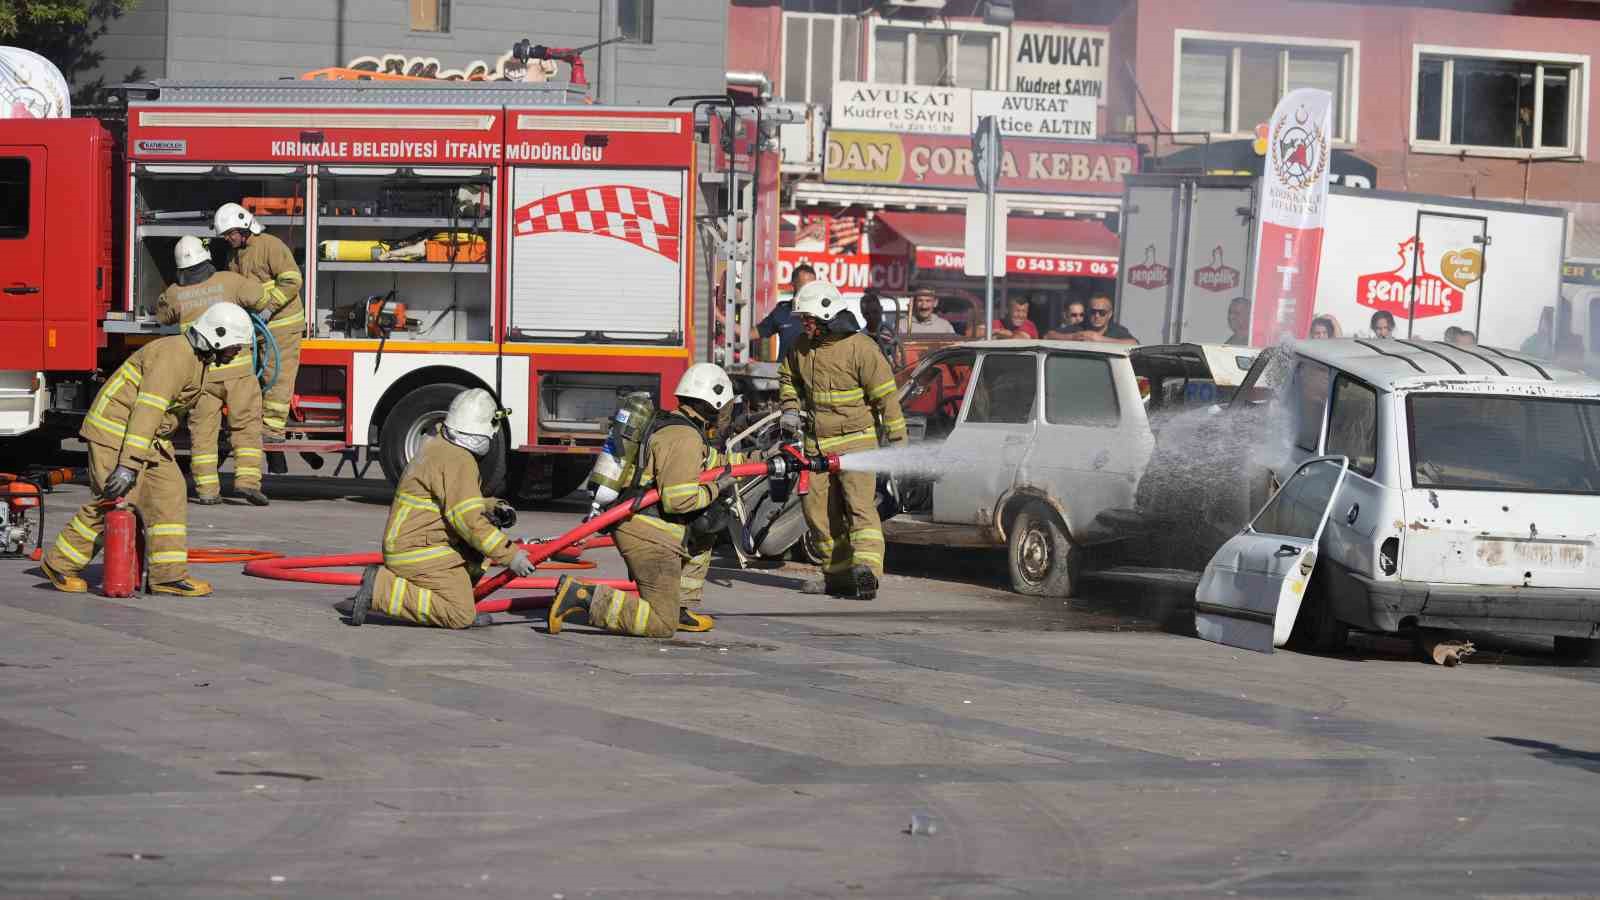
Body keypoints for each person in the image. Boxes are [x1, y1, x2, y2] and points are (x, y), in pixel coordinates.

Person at [40, 304, 255, 598]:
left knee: (170, 491)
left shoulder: (197, 358)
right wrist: (128, 465)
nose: (237, 352)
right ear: (217, 336)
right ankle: (60, 564)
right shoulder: (174, 356)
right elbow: (147, 411)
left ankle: (167, 576)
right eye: (235, 346)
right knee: (116, 500)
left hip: (145, 439)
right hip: (114, 435)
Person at [548, 364, 743, 637]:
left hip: (643, 524)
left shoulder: (675, 426)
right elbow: (680, 501)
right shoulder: (684, 437)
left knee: (707, 530)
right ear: (714, 403)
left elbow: (712, 462)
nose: (726, 414)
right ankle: (580, 596)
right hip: (651, 533)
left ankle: (680, 609)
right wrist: (716, 488)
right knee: (661, 625)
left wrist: (758, 461)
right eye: (724, 407)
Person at [337, 388, 534, 629]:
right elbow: (468, 520)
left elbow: (453, 501)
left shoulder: (438, 446)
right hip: (421, 552)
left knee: (479, 545)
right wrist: (511, 555)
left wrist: (491, 507)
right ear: (481, 433)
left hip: (413, 545)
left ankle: (453, 598)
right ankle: (382, 590)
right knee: (459, 614)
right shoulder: (459, 459)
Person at [777, 280, 907, 599]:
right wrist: (790, 410)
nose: (803, 324)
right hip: (815, 446)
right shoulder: (801, 348)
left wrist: (898, 442)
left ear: (827, 315)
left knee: (860, 508)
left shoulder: (860, 348)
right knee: (817, 512)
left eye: (807, 318)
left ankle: (866, 572)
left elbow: (886, 398)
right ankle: (835, 574)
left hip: (855, 442)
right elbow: (788, 379)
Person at [156, 236, 272, 507]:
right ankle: (247, 483)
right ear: (206, 258)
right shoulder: (230, 281)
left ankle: (207, 491)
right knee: (245, 427)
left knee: (203, 434)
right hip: (238, 372)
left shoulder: (175, 293)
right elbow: (262, 297)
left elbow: (161, 315)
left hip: (202, 376)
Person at [216, 203, 304, 459]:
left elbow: (292, 280)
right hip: (256, 326)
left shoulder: (270, 246)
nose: (227, 238)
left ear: (245, 226)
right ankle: (252, 422)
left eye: (230, 233)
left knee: (276, 373)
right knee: (251, 375)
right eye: (225, 235)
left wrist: (269, 307)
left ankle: (274, 428)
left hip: (282, 323)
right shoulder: (235, 255)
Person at [756, 263, 816, 361]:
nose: (809, 291)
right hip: (786, 374)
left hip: (813, 374)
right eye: (805, 286)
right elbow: (752, 333)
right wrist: (723, 319)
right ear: (793, 285)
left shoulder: (825, 313)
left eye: (812, 286)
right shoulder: (781, 311)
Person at [1067, 292, 1138, 344]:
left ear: (1110, 314)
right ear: (1088, 312)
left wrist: (1100, 339)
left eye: (1102, 313)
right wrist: (1073, 337)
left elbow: (1135, 344)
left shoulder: (1117, 330)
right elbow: (1055, 334)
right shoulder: (1080, 327)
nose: (1097, 316)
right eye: (1093, 312)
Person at [859, 291, 900, 364]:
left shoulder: (894, 333)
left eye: (875, 312)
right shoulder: (860, 338)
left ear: (881, 309)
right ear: (862, 314)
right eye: (867, 314)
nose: (872, 317)